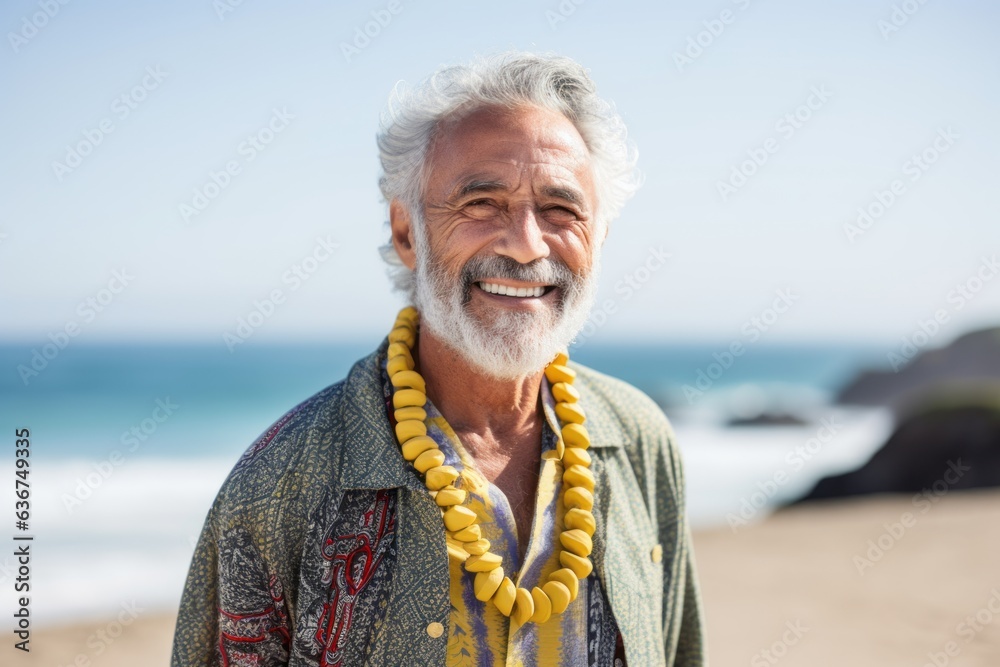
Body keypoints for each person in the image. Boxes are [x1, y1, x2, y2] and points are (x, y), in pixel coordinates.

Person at [171, 50, 706, 667]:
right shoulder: (280, 481)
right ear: (407, 234)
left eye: (561, 210)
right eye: (481, 203)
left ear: (600, 237)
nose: (527, 245)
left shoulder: (639, 443)